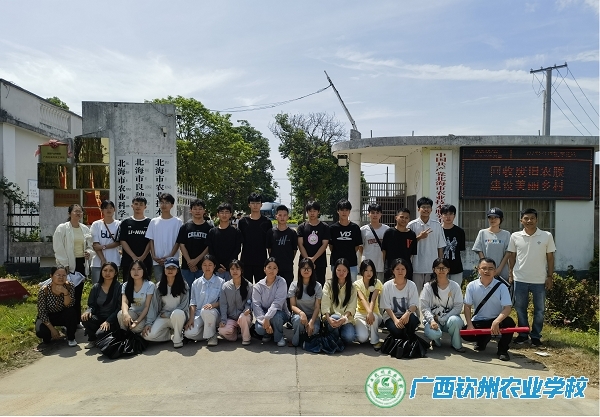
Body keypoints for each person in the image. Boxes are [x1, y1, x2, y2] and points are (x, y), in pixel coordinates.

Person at [508, 208, 556, 347]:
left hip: (539, 280)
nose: (529, 221)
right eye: (526, 218)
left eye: (532, 218)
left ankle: (535, 336)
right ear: (521, 220)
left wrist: (550, 276)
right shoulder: (515, 236)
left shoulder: (546, 236)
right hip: (520, 278)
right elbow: (512, 256)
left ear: (537, 220)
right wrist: (511, 273)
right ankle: (523, 334)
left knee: (539, 310)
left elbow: (550, 258)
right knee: (520, 308)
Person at [463, 258, 515, 361]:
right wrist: (469, 324)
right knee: (466, 334)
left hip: (497, 320)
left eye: (490, 269)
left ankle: (503, 350)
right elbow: (467, 306)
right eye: (484, 268)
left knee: (509, 323)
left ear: (495, 271)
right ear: (478, 269)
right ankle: (483, 340)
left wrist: (497, 321)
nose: (487, 271)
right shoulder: (471, 286)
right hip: (479, 320)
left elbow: (507, 308)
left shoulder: (502, 287)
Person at [53, 203, 94, 318]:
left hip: (81, 264)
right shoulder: (62, 228)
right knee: (65, 292)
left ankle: (76, 320)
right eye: (75, 211)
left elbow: (90, 246)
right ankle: (64, 319)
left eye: (80, 211)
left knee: (78, 293)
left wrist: (89, 253)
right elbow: (58, 247)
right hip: (67, 265)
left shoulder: (85, 228)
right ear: (69, 213)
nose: (78, 213)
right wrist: (64, 265)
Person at [142, 257, 189, 348]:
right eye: (168, 268)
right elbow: (154, 306)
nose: (170, 270)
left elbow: (184, 306)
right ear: (164, 269)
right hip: (163, 316)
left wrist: (168, 314)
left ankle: (178, 338)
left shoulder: (184, 285)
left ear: (177, 270)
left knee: (177, 313)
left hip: (179, 317)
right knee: (148, 335)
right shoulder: (159, 286)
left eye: (173, 268)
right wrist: (149, 323)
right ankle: (168, 335)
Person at [419, 258, 465, 352]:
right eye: (438, 268)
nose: (441, 270)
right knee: (432, 333)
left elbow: (458, 307)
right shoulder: (428, 287)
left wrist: (444, 318)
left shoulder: (455, 286)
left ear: (448, 269)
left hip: (449, 319)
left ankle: (456, 344)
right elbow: (424, 307)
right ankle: (436, 340)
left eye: (444, 268)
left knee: (456, 321)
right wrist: (432, 320)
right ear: (434, 269)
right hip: (434, 320)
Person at [407, 197, 446, 293]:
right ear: (418, 209)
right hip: (416, 267)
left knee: (431, 293)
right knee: (416, 293)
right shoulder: (411, 225)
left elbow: (440, 247)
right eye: (423, 207)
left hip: (432, 267)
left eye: (428, 207)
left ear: (431, 209)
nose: (426, 209)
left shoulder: (437, 225)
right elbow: (407, 246)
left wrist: (440, 265)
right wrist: (419, 237)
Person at [184, 254, 224, 346]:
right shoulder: (196, 283)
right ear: (201, 266)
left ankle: (212, 336)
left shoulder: (220, 282)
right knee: (188, 333)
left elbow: (223, 301)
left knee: (206, 311)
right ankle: (208, 332)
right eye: (204, 265)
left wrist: (213, 305)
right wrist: (191, 319)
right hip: (199, 314)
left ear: (214, 266)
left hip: (214, 313)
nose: (207, 267)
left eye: (210, 265)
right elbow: (193, 302)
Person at [81, 262, 122, 348]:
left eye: (111, 270)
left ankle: (101, 336)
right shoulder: (96, 287)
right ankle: (92, 339)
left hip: (112, 320)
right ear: (101, 272)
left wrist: (108, 321)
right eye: (105, 270)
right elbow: (92, 305)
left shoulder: (119, 287)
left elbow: (119, 308)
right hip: (99, 317)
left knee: (100, 334)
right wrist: (88, 311)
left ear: (115, 273)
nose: (107, 273)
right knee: (85, 317)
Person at [35, 266, 78, 347]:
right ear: (51, 276)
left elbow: (69, 305)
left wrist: (65, 292)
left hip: (62, 314)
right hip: (48, 316)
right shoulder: (44, 290)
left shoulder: (70, 286)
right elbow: (42, 312)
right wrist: (52, 329)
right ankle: (49, 336)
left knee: (71, 312)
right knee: (42, 333)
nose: (61, 278)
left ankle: (71, 338)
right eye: (58, 275)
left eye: (64, 275)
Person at [252, 257, 290, 347]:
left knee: (276, 317)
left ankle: (279, 337)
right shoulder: (258, 286)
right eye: (269, 267)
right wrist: (264, 321)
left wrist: (267, 318)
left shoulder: (281, 282)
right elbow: (256, 306)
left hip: (280, 313)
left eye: (274, 268)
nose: (271, 270)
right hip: (264, 314)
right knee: (259, 329)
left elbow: (277, 303)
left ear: (278, 270)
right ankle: (268, 333)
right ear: (264, 269)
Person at [145, 193, 182, 281]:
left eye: (167, 202)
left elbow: (178, 241)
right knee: (159, 284)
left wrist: (170, 256)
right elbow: (151, 240)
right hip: (157, 261)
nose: (164, 205)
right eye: (162, 202)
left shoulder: (177, 222)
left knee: (173, 283)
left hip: (172, 260)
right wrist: (154, 256)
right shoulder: (154, 221)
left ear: (172, 205)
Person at [380, 258, 420, 339]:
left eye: (403, 269)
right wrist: (395, 320)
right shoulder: (387, 285)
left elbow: (414, 304)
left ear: (406, 271)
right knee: (397, 331)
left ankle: (408, 338)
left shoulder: (411, 285)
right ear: (393, 271)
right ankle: (405, 338)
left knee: (412, 320)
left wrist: (407, 314)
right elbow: (386, 306)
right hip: (391, 316)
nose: (400, 271)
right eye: (397, 269)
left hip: (408, 315)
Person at [177, 199, 213, 288]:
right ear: (191, 210)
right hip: (187, 266)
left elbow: (209, 246)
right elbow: (182, 245)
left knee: (203, 290)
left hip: (203, 266)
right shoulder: (185, 227)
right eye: (195, 209)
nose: (197, 211)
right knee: (187, 290)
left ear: (204, 211)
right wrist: (189, 262)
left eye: (200, 209)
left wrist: (197, 260)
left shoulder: (210, 228)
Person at [238, 193, 273, 283]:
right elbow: (239, 241)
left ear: (261, 205)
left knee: (261, 286)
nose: (255, 205)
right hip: (246, 260)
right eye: (253, 203)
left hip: (261, 260)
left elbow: (270, 243)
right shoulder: (242, 221)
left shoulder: (267, 222)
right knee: (246, 286)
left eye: (257, 203)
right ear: (249, 205)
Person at [321, 258, 357, 344]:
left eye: (344, 270)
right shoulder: (328, 284)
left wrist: (344, 318)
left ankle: (336, 334)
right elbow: (325, 303)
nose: (341, 273)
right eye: (338, 270)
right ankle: (334, 335)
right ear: (335, 270)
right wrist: (328, 318)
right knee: (335, 317)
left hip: (346, 319)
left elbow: (352, 306)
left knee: (349, 337)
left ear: (348, 271)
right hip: (331, 318)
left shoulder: (352, 287)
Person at [116, 196, 152, 282]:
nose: (138, 206)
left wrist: (142, 257)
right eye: (136, 204)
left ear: (145, 207)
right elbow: (122, 240)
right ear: (132, 206)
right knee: (128, 285)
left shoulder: (150, 222)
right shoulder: (125, 222)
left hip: (145, 260)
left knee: (145, 284)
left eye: (141, 204)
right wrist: (133, 256)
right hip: (128, 260)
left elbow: (151, 241)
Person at [288, 258, 323, 347]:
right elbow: (292, 306)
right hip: (299, 315)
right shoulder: (294, 285)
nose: (306, 270)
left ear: (312, 270)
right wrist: (301, 313)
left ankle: (303, 338)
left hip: (312, 316)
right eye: (303, 268)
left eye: (308, 268)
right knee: (297, 321)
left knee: (314, 330)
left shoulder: (318, 286)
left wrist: (311, 322)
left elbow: (317, 307)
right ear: (299, 270)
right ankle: (297, 341)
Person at [218, 260, 253, 345]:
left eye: (237, 269)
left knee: (244, 317)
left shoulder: (248, 285)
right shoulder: (225, 286)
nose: (235, 271)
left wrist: (247, 309)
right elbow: (223, 304)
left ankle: (246, 338)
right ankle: (235, 335)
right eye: (232, 269)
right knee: (222, 330)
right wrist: (223, 319)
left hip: (243, 316)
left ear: (242, 270)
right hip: (231, 317)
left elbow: (250, 301)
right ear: (229, 270)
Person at [472, 207, 512, 280]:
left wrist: (499, 269)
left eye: (496, 217)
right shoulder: (482, 233)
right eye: (490, 217)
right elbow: (479, 251)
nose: (493, 220)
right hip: (485, 271)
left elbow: (508, 253)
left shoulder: (506, 234)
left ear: (501, 219)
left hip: (501, 272)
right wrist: (486, 267)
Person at [297, 201, 330, 286]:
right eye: (310, 211)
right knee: (303, 285)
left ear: (318, 212)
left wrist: (313, 259)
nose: (312, 213)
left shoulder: (325, 227)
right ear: (307, 212)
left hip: (320, 262)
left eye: (314, 211)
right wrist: (308, 261)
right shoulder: (301, 227)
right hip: (304, 263)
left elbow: (325, 244)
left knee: (319, 285)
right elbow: (300, 244)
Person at [207, 202, 242, 281]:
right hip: (216, 269)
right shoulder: (212, 232)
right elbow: (211, 250)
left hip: (231, 269)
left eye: (227, 212)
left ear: (230, 214)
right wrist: (217, 265)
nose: (224, 215)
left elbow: (237, 249)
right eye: (222, 212)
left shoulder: (236, 231)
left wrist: (227, 265)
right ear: (218, 214)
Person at [329, 199, 362, 282]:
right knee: (336, 286)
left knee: (352, 286)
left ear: (349, 211)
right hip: (336, 263)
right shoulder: (332, 228)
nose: (344, 212)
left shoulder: (355, 228)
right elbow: (331, 246)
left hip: (351, 263)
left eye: (346, 210)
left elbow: (357, 246)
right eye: (342, 210)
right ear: (338, 211)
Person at [117, 260, 155, 333]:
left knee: (136, 328)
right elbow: (124, 302)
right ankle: (124, 335)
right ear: (130, 271)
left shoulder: (150, 285)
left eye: (139, 269)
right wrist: (125, 314)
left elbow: (147, 306)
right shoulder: (125, 285)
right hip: (133, 312)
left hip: (144, 315)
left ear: (144, 271)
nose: (136, 272)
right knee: (120, 314)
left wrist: (137, 322)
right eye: (133, 269)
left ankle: (131, 335)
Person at [266, 204, 298, 290]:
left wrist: (289, 259)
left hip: (287, 267)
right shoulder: (270, 232)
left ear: (288, 217)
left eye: (284, 215)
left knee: (287, 290)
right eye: (280, 215)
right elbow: (269, 249)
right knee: (273, 290)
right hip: (274, 268)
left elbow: (294, 250)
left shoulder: (292, 233)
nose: (282, 217)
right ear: (276, 216)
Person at [354, 259, 383, 350]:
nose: (369, 273)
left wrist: (370, 312)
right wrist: (368, 312)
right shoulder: (356, 284)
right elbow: (362, 299)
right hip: (360, 314)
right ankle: (364, 331)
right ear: (362, 271)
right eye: (366, 270)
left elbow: (373, 299)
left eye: (371, 270)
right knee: (362, 339)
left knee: (373, 317)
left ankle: (375, 341)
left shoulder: (377, 282)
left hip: (375, 313)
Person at [381, 208, 417, 282]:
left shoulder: (412, 235)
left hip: (406, 270)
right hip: (390, 269)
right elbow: (384, 251)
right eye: (402, 217)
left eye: (406, 218)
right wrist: (386, 266)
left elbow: (411, 254)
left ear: (409, 219)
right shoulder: (389, 233)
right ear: (396, 217)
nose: (404, 219)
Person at [90, 200, 121, 285]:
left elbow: (119, 242)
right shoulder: (96, 224)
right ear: (102, 210)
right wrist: (103, 260)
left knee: (112, 287)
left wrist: (103, 246)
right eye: (106, 208)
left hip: (114, 261)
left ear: (114, 209)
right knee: (97, 286)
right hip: (98, 262)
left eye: (111, 207)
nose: (109, 210)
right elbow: (95, 245)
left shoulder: (119, 224)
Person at [359, 203, 389, 283]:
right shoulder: (363, 230)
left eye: (377, 212)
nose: (375, 215)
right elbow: (360, 247)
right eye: (372, 212)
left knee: (380, 287)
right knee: (367, 287)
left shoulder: (387, 229)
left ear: (381, 214)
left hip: (381, 265)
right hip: (367, 265)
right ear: (368, 214)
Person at [440, 204, 466, 286]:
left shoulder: (460, 232)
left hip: (456, 268)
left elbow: (461, 250)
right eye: (445, 214)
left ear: (454, 215)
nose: (448, 217)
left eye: (451, 214)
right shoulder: (438, 231)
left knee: (455, 291)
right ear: (441, 215)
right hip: (440, 268)